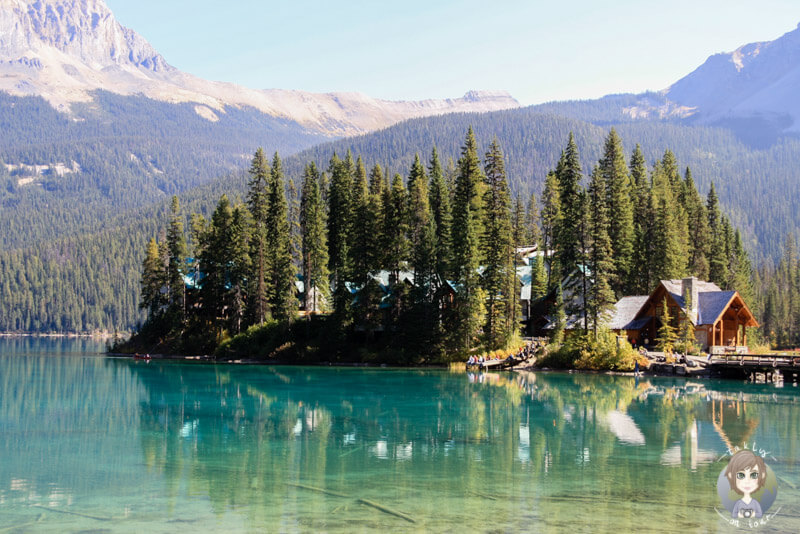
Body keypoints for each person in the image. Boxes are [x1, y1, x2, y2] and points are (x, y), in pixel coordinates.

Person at [725, 450, 767, 519]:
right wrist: (742, 515)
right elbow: (734, 515)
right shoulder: (738, 503)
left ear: (762, 475)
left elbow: (759, 514)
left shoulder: (755, 503)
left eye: (754, 475)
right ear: (731, 476)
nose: (747, 481)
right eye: (741, 475)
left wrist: (751, 515)